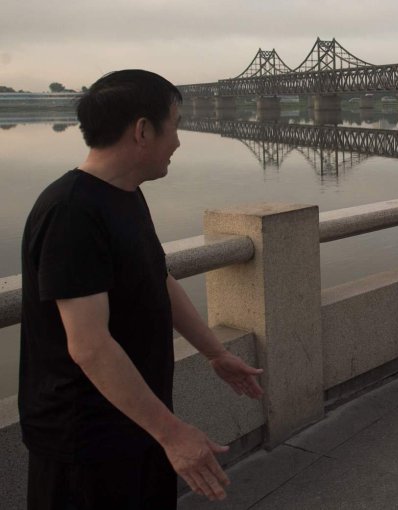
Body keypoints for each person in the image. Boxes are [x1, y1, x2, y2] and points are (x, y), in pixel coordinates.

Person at [19, 69, 264, 510]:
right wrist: (174, 435)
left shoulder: (125, 193)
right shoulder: (71, 212)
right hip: (86, 440)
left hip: (138, 420)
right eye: (175, 124)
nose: (179, 140)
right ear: (143, 130)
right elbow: (89, 346)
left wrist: (215, 353)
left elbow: (158, 278)